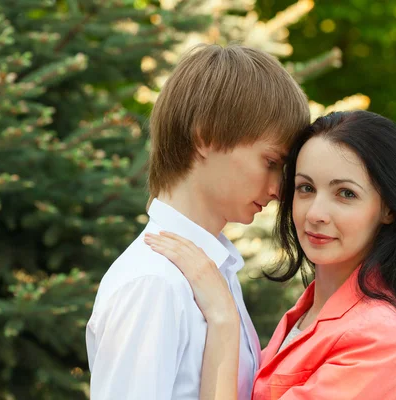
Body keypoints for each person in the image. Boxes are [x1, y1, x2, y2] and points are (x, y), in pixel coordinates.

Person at [145, 110, 396, 399]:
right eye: (305, 188)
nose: (316, 214)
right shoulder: (307, 311)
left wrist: (223, 319)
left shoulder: (378, 334)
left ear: (388, 208)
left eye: (345, 194)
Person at [85, 44, 310, 400]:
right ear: (205, 136)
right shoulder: (154, 282)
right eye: (270, 161)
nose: (278, 189)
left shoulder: (212, 270)